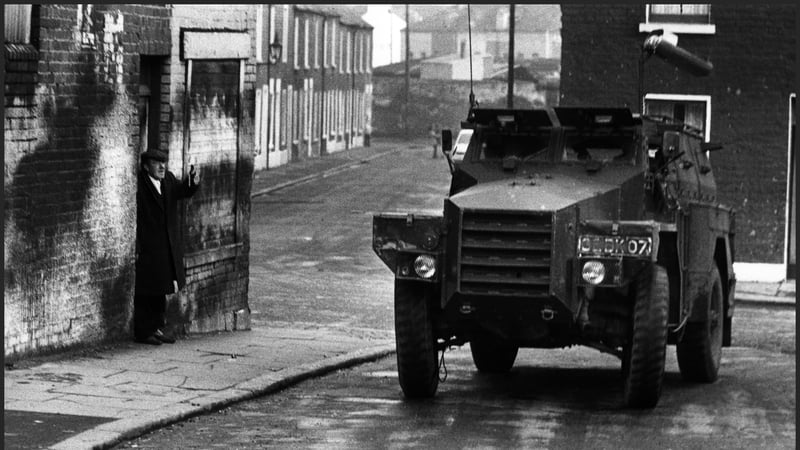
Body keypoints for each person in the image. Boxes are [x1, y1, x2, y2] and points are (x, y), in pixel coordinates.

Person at [134, 148, 199, 345]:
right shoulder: (140, 184)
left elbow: (182, 191)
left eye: (164, 162)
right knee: (146, 289)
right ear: (146, 166)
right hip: (148, 244)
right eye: (156, 163)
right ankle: (144, 332)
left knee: (161, 287)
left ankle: (156, 328)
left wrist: (192, 183)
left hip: (166, 244)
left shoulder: (168, 180)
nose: (162, 166)